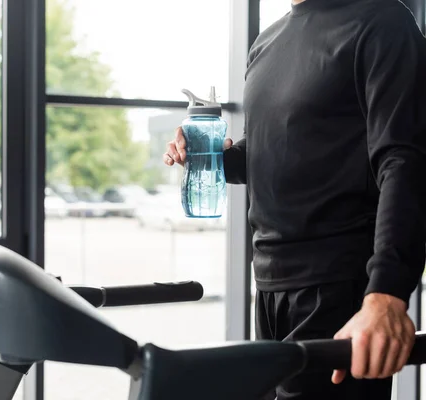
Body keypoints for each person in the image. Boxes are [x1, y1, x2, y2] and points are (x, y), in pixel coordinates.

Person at [164, 0, 426, 399]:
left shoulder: (382, 22)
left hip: (339, 288)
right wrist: (211, 158)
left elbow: (405, 161)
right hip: (270, 285)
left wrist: (387, 294)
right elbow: (275, 148)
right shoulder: (267, 42)